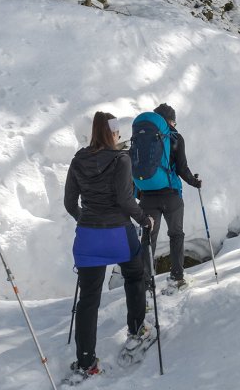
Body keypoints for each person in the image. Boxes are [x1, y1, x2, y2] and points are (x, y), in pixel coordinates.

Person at [63, 112, 157, 381]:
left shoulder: (78, 160)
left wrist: (87, 220)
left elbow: (70, 203)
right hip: (118, 233)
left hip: (88, 237)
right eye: (116, 132)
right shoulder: (121, 160)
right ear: (112, 133)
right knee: (135, 275)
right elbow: (126, 201)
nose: (119, 136)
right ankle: (137, 330)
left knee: (89, 298)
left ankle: (86, 362)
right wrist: (145, 219)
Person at [137, 103, 202, 292]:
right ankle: (177, 278)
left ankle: (146, 286)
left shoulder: (143, 137)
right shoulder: (175, 138)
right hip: (171, 195)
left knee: (149, 238)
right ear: (171, 121)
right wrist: (194, 182)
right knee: (176, 235)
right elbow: (181, 168)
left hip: (147, 197)